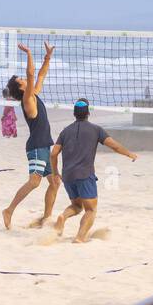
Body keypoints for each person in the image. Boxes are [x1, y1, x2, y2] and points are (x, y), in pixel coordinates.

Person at [50, 99, 137, 243]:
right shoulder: (96, 129)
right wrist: (129, 154)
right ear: (88, 113)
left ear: (74, 114)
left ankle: (63, 217)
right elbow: (114, 146)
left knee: (77, 206)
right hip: (85, 174)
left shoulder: (65, 131)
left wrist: (55, 172)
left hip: (68, 176)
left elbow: (53, 153)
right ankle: (80, 237)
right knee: (90, 210)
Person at [1, 42, 63, 230]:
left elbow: (41, 74)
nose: (25, 78)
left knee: (55, 182)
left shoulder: (34, 94)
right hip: (36, 146)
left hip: (44, 145)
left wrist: (48, 57)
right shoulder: (28, 99)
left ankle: (45, 218)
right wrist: (28, 53)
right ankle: (9, 210)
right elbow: (31, 73)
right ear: (21, 87)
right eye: (21, 79)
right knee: (35, 182)